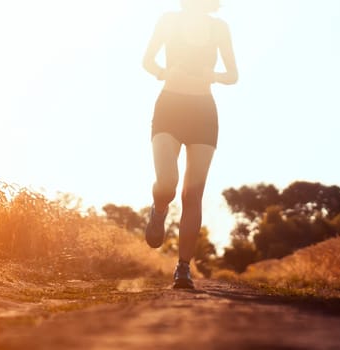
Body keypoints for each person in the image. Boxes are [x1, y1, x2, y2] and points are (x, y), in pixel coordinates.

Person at [142, 0, 238, 289]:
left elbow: (233, 74)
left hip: (203, 114)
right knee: (168, 182)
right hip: (169, 108)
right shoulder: (168, 21)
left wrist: (213, 76)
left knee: (192, 194)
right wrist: (164, 73)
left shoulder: (219, 28)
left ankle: (183, 268)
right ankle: (159, 210)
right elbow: (147, 60)